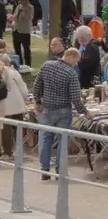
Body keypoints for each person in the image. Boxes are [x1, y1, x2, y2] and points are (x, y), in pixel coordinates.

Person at [33, 48, 86, 178]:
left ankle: (44, 170)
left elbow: (37, 86)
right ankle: (60, 170)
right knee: (63, 140)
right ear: (71, 57)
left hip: (47, 108)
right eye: (76, 61)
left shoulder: (46, 66)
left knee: (45, 138)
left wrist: (37, 101)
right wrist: (84, 112)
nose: (76, 64)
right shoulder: (71, 73)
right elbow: (75, 97)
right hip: (63, 110)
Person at [0, 53, 30, 156]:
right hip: (17, 103)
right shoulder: (14, 72)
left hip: (3, 104)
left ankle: (7, 151)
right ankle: (20, 150)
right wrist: (24, 99)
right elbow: (23, 89)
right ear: (8, 62)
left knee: (6, 129)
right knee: (18, 129)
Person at [74, 24, 104, 89]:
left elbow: (86, 63)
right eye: (79, 37)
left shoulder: (92, 47)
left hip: (89, 82)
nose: (80, 39)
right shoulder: (85, 46)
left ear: (89, 36)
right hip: (85, 81)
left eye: (82, 37)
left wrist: (75, 60)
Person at [12, 0, 33, 67]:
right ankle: (19, 65)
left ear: (27, 0)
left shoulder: (30, 7)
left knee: (26, 50)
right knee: (17, 50)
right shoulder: (18, 6)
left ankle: (28, 65)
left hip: (25, 31)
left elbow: (28, 18)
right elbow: (14, 16)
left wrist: (24, 10)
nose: (22, 1)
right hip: (16, 30)